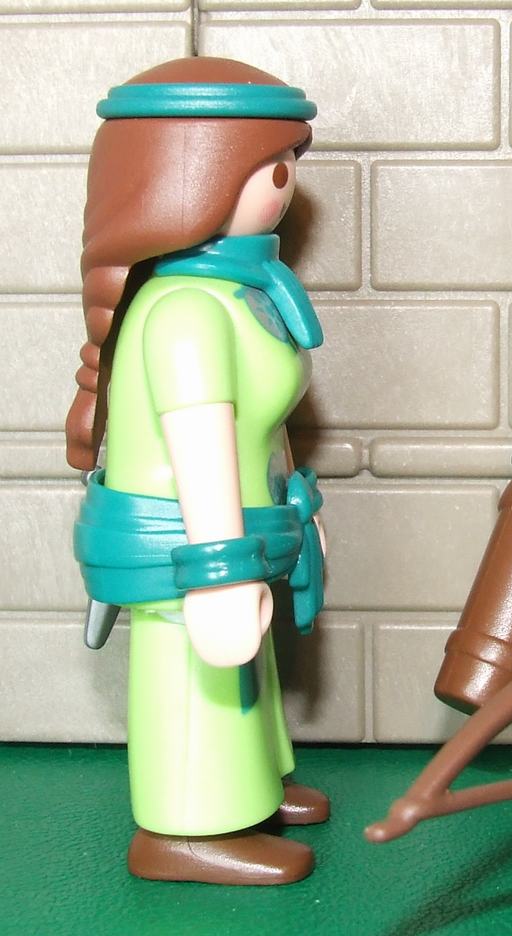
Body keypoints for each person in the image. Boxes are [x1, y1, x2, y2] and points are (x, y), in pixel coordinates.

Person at [68, 57, 327, 885]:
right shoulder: (186, 311)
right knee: (195, 666)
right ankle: (184, 827)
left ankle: (247, 789)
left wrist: (294, 507)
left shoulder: (239, 293)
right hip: (188, 535)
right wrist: (217, 569)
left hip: (243, 523)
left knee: (246, 667)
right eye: (275, 166)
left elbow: (261, 425)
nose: (287, 185)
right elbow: (201, 446)